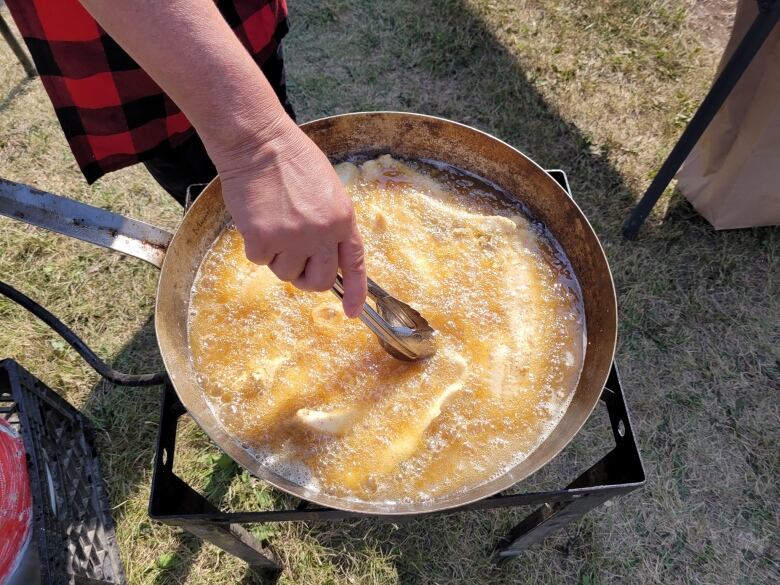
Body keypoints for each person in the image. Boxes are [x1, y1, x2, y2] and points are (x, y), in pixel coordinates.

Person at [5, 0, 367, 317]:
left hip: (237, 12)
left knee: (265, 85)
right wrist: (259, 147)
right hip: (127, 35)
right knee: (190, 170)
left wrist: (266, 141)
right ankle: (238, 274)